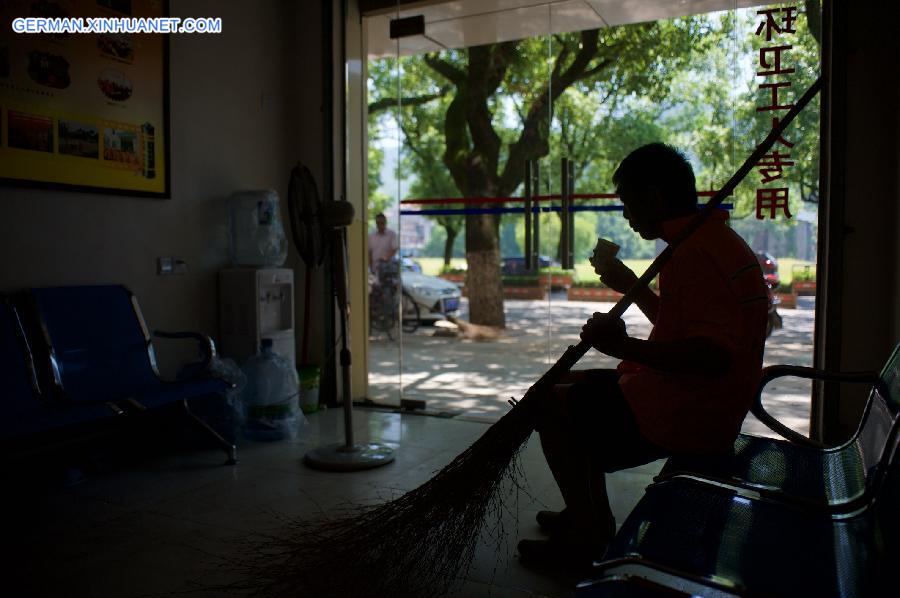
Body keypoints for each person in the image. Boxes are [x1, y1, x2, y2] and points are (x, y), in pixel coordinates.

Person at [518, 143, 769, 571]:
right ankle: (585, 513)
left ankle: (588, 534)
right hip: (692, 397)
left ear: (653, 198)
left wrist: (622, 347)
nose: (626, 216)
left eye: (628, 203)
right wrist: (634, 288)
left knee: (550, 404)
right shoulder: (708, 240)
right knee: (557, 390)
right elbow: (686, 327)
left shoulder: (692, 254)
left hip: (689, 412)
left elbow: (711, 358)